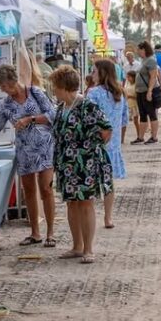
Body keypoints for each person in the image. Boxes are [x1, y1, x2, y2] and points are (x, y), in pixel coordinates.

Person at [49, 66, 113, 264]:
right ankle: (77, 246)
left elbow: (106, 130)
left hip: (85, 164)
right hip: (67, 164)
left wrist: (89, 149)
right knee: (72, 203)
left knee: (85, 204)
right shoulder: (61, 107)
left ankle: (88, 249)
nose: (53, 90)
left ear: (64, 87)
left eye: (55, 86)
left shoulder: (87, 106)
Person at [0, 66, 57, 247]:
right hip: (24, 150)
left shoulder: (35, 92)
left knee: (46, 189)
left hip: (44, 147)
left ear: (11, 81)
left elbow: (52, 114)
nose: (3, 90)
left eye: (3, 86)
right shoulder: (6, 105)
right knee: (28, 190)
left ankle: (51, 232)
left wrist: (30, 119)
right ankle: (35, 233)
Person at [87, 60, 127, 229]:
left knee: (91, 182)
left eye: (94, 71)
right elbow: (124, 119)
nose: (92, 74)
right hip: (113, 144)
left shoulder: (93, 93)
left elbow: (88, 117)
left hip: (95, 143)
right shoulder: (119, 93)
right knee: (108, 184)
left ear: (102, 73)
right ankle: (108, 217)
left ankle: (90, 216)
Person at [133, 41, 161, 144]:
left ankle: (154, 137)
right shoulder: (143, 61)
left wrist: (149, 91)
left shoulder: (151, 61)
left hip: (147, 91)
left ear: (144, 49)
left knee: (152, 114)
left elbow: (153, 77)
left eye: (138, 49)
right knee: (143, 114)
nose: (137, 51)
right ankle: (140, 137)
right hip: (140, 91)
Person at [123, 70, 139, 144]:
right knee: (124, 121)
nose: (128, 78)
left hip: (134, 104)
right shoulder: (127, 83)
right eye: (127, 77)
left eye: (129, 77)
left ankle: (139, 135)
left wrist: (130, 96)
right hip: (127, 104)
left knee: (136, 121)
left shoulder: (136, 84)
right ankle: (122, 138)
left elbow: (138, 96)